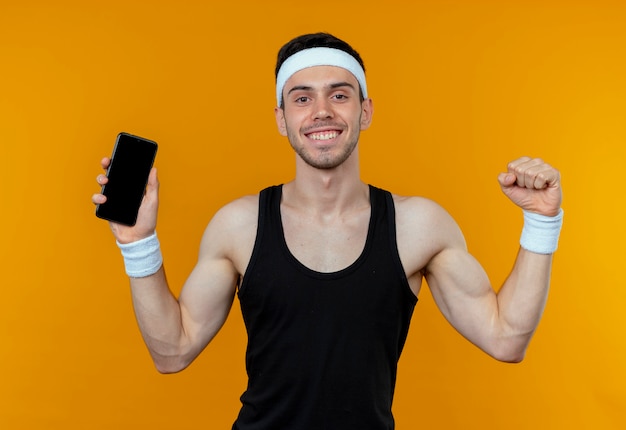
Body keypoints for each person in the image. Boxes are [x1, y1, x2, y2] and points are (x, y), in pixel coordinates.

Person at [92, 33, 563, 429]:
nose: (322, 111)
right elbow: (172, 351)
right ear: (282, 119)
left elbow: (506, 339)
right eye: (302, 98)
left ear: (365, 111)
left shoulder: (417, 225)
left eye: (339, 94)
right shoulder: (239, 225)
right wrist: (139, 245)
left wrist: (542, 222)